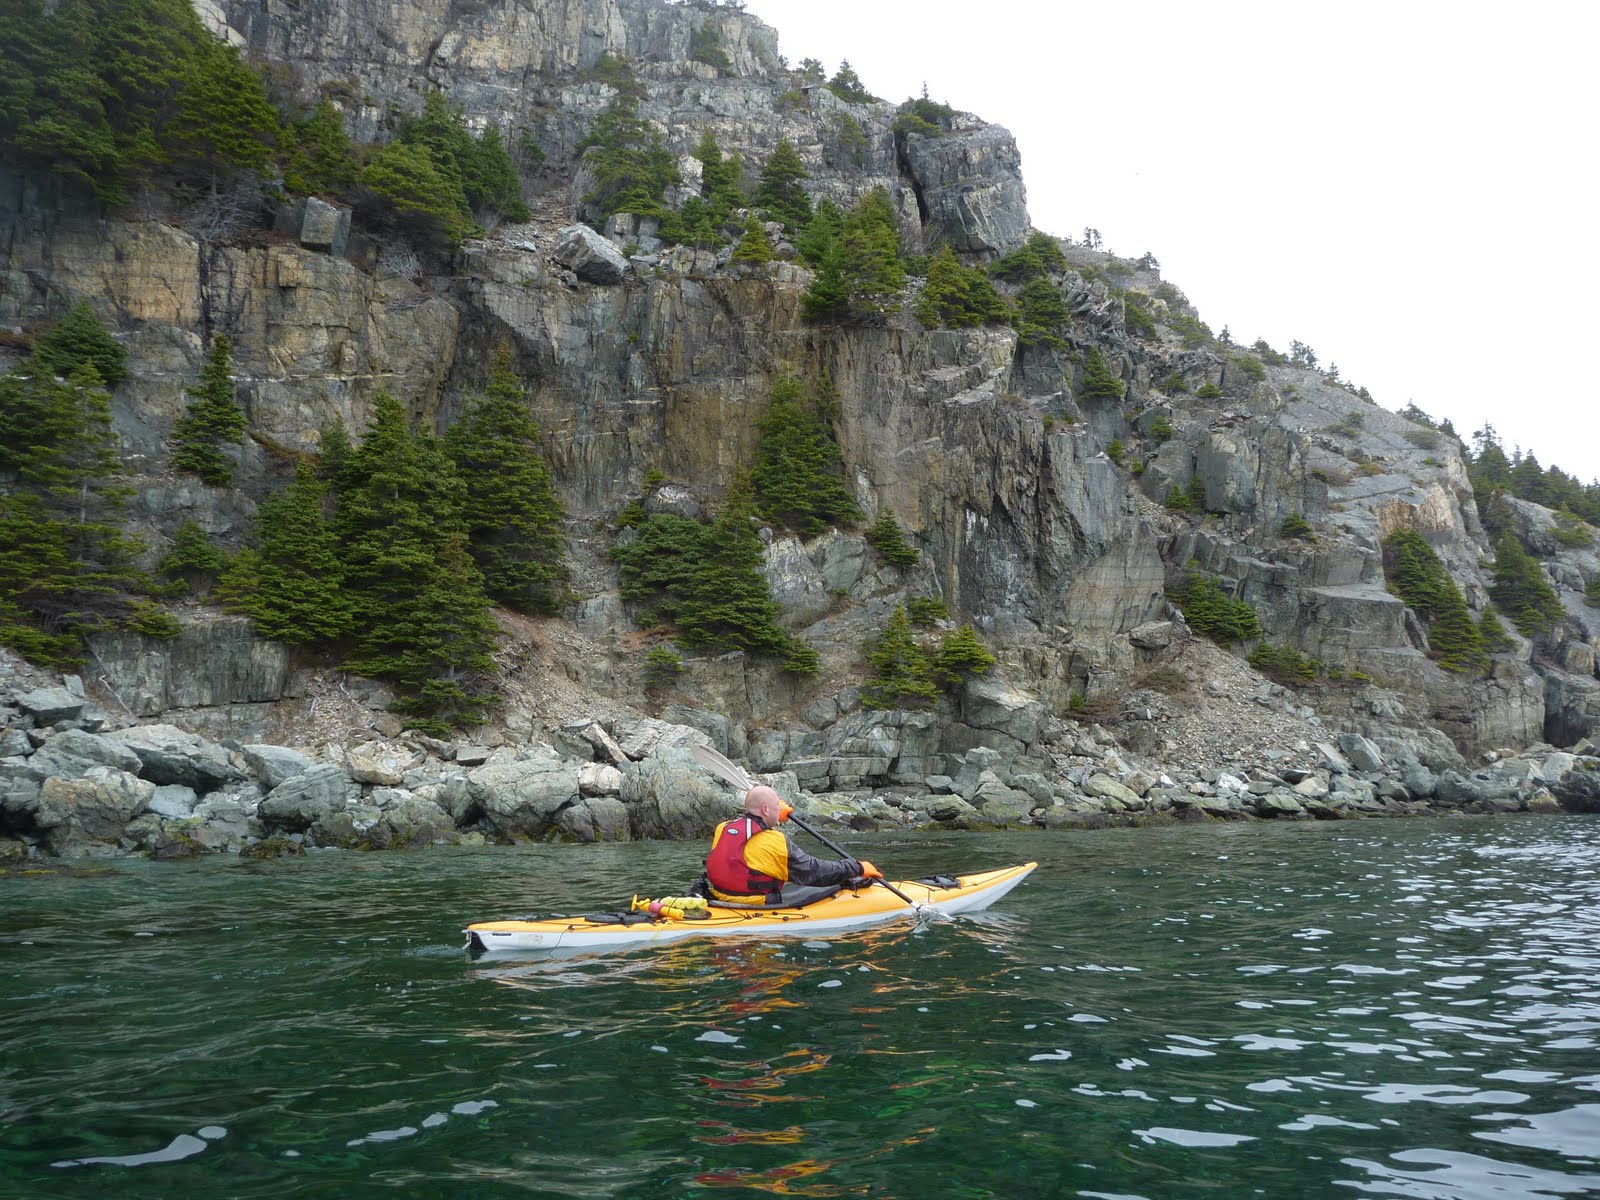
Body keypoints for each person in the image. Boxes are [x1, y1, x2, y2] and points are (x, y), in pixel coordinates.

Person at [702, 784, 881, 904]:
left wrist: (774, 814)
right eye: (777, 806)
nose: (780, 809)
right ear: (765, 809)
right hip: (757, 905)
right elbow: (815, 872)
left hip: (719, 899)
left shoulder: (723, 828)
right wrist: (856, 867)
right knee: (830, 881)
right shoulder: (775, 841)